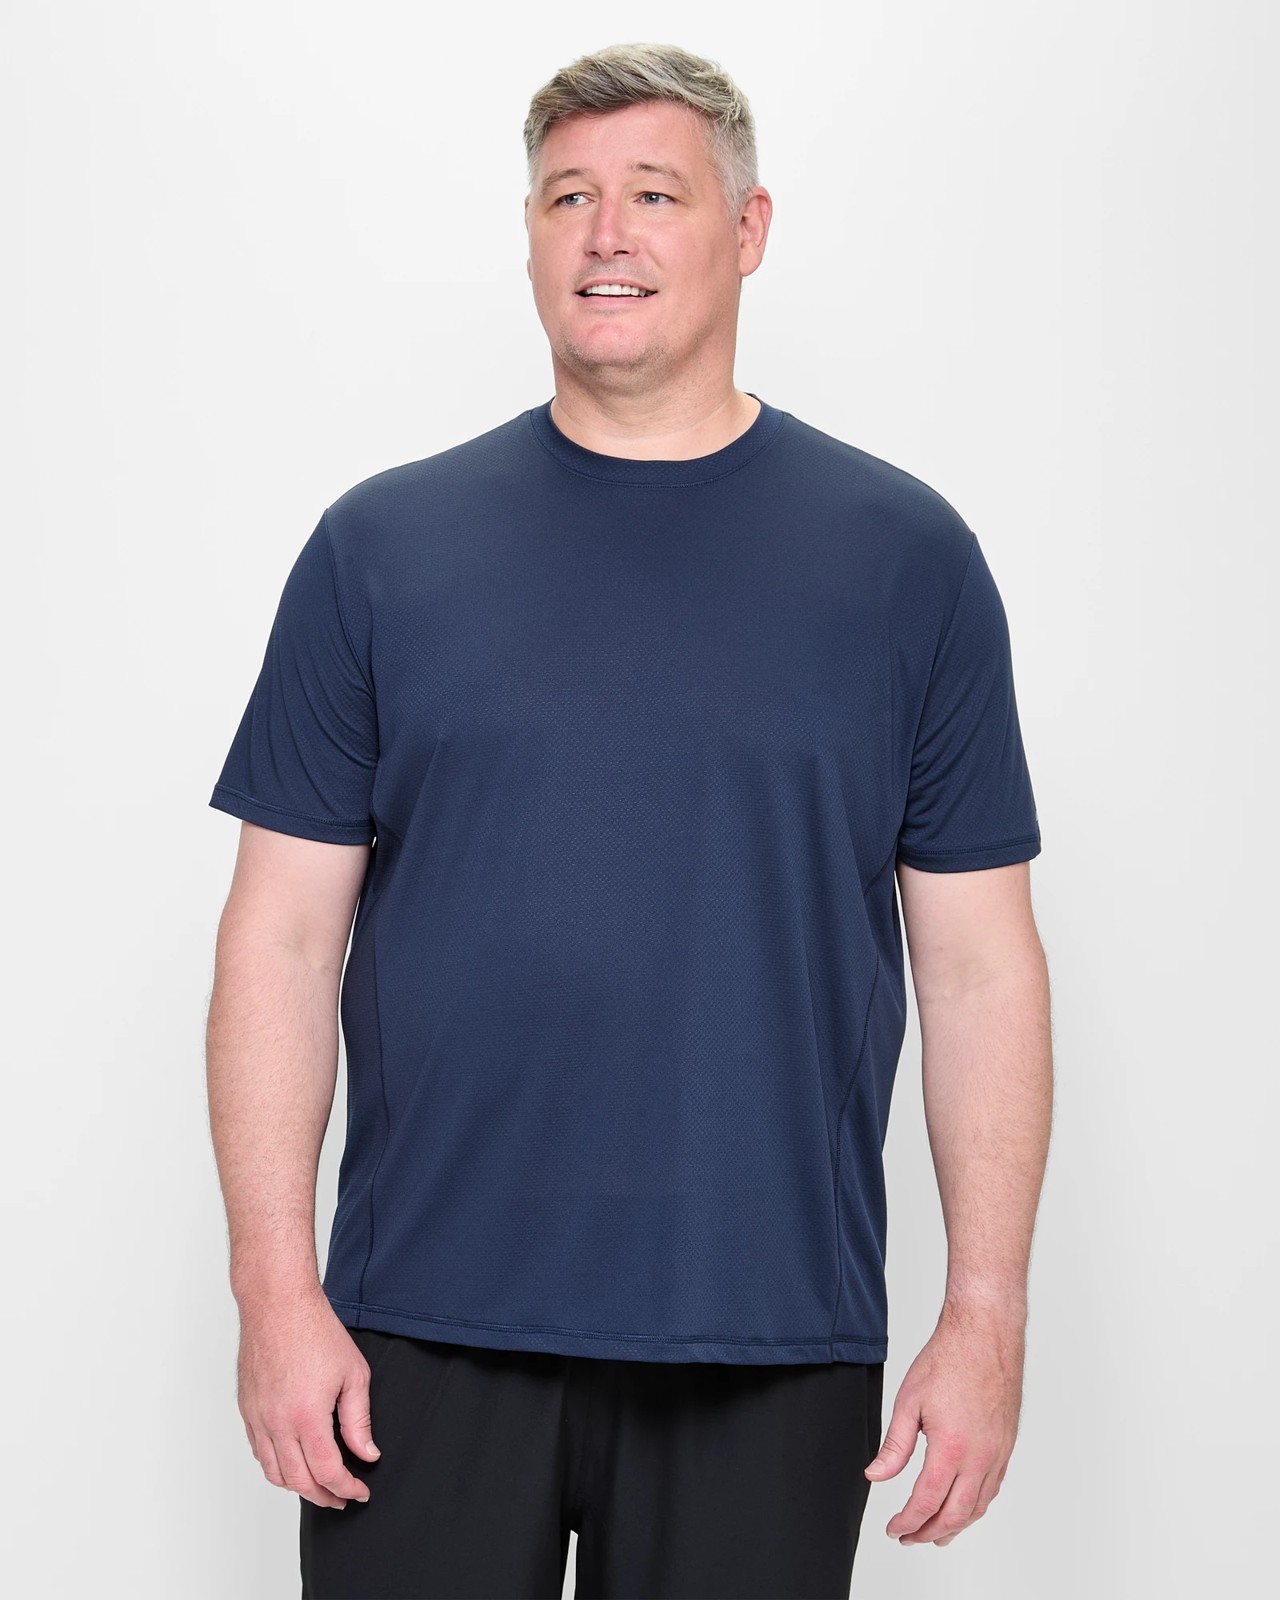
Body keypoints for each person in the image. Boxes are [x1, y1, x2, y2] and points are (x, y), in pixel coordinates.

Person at [205, 39, 1053, 1600]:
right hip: (418, 1333)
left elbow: (980, 966)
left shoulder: (904, 561)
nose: (606, 235)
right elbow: (282, 938)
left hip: (765, 1330)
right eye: (567, 197)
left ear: (748, 229)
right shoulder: (380, 550)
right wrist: (274, 1292)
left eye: (655, 194)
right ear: (530, 234)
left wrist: (986, 1313)